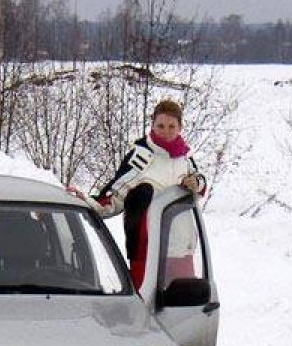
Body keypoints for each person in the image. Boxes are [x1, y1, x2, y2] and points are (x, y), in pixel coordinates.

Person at [69, 99, 207, 289]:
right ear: (152, 125)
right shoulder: (141, 158)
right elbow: (112, 198)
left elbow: (200, 187)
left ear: (180, 127)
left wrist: (197, 183)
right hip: (148, 253)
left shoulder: (185, 158)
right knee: (143, 313)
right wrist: (84, 201)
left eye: (171, 126)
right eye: (161, 125)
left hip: (182, 250)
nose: (166, 131)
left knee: (184, 311)